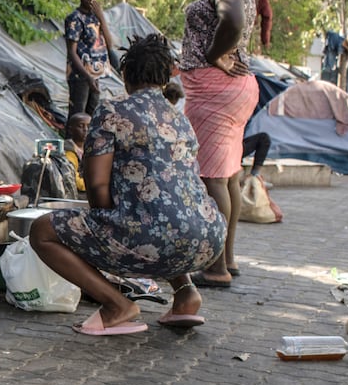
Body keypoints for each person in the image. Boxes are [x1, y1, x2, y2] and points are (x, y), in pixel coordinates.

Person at [28, 33, 227, 335]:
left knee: (42, 231)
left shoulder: (111, 111)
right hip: (208, 240)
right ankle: (186, 294)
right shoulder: (179, 118)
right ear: (164, 77)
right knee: (166, 214)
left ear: (124, 74)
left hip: (152, 240)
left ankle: (116, 304)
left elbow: (96, 185)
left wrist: (103, 227)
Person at [180, 0, 260, 287]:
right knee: (228, 177)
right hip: (235, 88)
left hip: (215, 91)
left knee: (212, 178)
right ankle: (228, 259)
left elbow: (232, 20)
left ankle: (215, 268)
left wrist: (214, 55)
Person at [64, 0, 117, 116]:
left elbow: (109, 44)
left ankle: (86, 139)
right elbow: (72, 52)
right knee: (77, 115)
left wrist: (101, 18)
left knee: (91, 115)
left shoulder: (97, 17)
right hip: (80, 75)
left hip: (95, 74)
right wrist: (87, 77)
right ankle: (72, 138)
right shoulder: (74, 18)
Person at [63, 112, 90, 193]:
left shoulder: (90, 147)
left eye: (89, 126)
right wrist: (92, 186)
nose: (86, 129)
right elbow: (73, 178)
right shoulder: (69, 151)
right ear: (71, 130)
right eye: (81, 126)